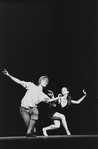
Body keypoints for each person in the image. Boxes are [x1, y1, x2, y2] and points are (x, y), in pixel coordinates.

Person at [2, 69, 50, 137]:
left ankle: (28, 132)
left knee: (36, 111)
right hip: (23, 109)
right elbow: (19, 81)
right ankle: (31, 131)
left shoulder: (43, 95)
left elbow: (52, 103)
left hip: (32, 109)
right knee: (33, 131)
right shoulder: (31, 85)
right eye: (45, 81)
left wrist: (54, 96)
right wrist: (8, 75)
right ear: (40, 80)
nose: (46, 83)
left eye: (47, 82)